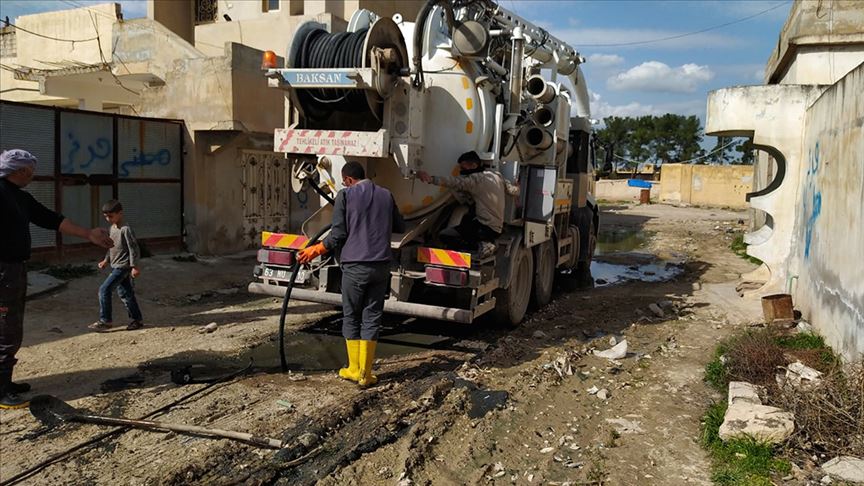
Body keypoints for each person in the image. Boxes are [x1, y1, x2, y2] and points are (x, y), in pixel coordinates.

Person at [0, 149, 113, 409]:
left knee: (11, 325)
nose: (32, 174)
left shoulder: (20, 197)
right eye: (30, 170)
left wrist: (88, 234)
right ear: (19, 171)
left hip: (14, 269)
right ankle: (1, 389)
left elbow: (52, 220)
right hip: (3, 270)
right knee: (6, 328)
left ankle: (5, 381)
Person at [297, 161, 404, 388]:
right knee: (372, 316)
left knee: (352, 315)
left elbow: (337, 236)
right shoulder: (387, 195)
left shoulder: (345, 196)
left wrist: (313, 250)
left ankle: (353, 369)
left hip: (356, 266)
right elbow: (400, 226)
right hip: (381, 266)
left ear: (347, 180)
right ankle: (366, 374)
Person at [416, 150, 518, 257]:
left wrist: (431, 179)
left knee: (445, 235)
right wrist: (518, 188)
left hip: (484, 228)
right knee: (465, 224)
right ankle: (485, 243)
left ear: (474, 165)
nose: (461, 170)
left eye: (463, 168)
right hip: (497, 228)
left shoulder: (476, 180)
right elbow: (512, 190)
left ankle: (484, 245)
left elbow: (454, 182)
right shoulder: (497, 175)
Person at [89, 200, 144, 332]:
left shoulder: (125, 229)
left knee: (104, 290)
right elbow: (111, 246)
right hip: (115, 265)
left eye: (111, 216)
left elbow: (134, 249)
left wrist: (135, 266)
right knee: (126, 294)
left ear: (120, 213)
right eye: (106, 217)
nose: (108, 219)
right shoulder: (112, 228)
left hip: (123, 266)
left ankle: (105, 321)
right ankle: (137, 320)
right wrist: (106, 260)